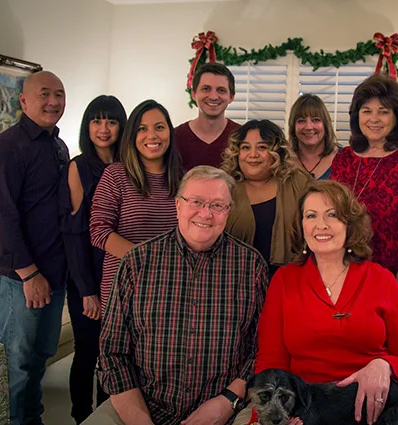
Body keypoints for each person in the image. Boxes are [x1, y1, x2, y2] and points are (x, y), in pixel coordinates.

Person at [82, 166, 269, 425]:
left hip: (228, 407)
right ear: (178, 205)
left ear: (228, 212)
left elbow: (261, 350)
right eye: (196, 202)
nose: (205, 213)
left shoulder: (251, 266)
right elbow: (112, 352)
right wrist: (140, 420)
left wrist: (226, 401)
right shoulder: (138, 262)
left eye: (217, 205)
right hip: (143, 403)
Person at [240, 180, 398, 425]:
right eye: (311, 215)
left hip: (375, 415)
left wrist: (385, 366)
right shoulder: (284, 280)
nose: (321, 225)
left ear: (349, 224)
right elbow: (270, 365)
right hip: (304, 415)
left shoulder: (382, 280)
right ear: (301, 225)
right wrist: (263, 421)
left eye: (332, 215)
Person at [0, 70, 69, 425]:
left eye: (59, 94)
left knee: (39, 357)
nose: (53, 101)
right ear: (23, 100)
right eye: (44, 94)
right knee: (16, 365)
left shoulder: (59, 146)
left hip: (54, 274)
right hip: (21, 277)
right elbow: (0, 219)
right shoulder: (7, 147)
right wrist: (30, 275)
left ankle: (31, 419)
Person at [330, 74, 398, 337]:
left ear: (397, 116)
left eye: (383, 111)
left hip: (395, 277)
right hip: (346, 275)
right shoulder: (343, 159)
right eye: (367, 111)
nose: (374, 118)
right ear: (357, 115)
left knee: (392, 351)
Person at [60, 95, 127, 424]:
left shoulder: (130, 166)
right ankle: (80, 416)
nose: (104, 129)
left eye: (111, 121)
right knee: (88, 351)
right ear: (87, 126)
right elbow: (74, 235)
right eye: (96, 121)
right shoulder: (78, 166)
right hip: (86, 274)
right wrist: (87, 290)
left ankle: (106, 413)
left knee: (114, 355)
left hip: (121, 276)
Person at [89, 99, 183, 313]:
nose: (152, 136)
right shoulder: (115, 175)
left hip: (171, 289)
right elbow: (99, 231)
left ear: (170, 132)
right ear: (132, 135)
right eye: (142, 129)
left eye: (159, 127)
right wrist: (147, 261)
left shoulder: (184, 180)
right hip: (123, 288)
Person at [222, 119, 311, 277]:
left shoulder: (299, 182)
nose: (253, 155)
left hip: (291, 278)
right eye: (245, 147)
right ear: (237, 152)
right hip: (234, 279)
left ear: (277, 152)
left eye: (262, 147)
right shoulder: (223, 187)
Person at [175, 63, 240, 170]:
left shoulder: (241, 137)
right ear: (193, 94)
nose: (213, 97)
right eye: (206, 89)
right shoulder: (175, 138)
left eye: (221, 90)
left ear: (231, 97)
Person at [288, 94, 340, 179]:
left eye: (316, 120)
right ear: (293, 127)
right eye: (301, 121)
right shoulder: (283, 161)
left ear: (325, 125)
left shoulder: (345, 159)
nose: (309, 127)